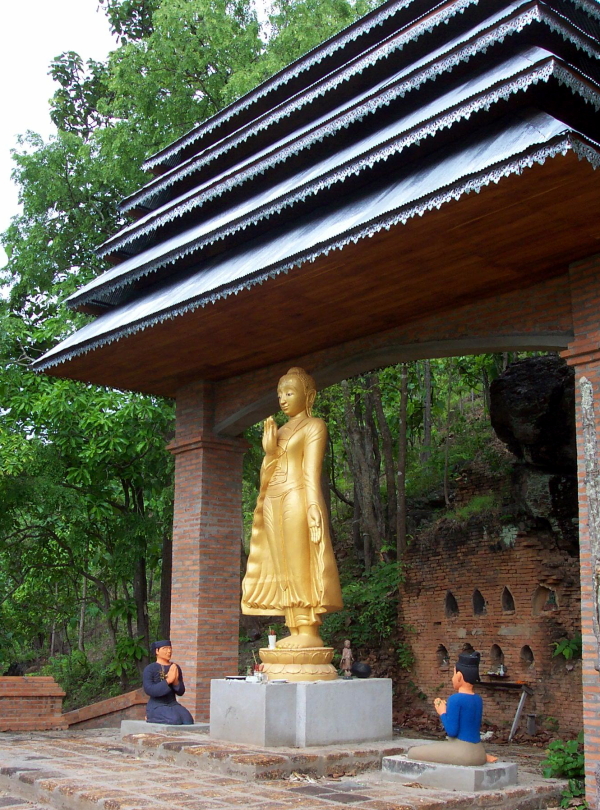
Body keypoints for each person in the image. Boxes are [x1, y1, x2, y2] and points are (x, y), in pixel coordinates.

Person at [241, 367, 343, 649]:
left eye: (289, 392)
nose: (283, 399)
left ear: (308, 396)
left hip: (297, 498)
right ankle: (293, 627)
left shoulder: (314, 426)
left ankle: (309, 629)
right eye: (280, 394)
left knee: (300, 563)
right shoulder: (279, 431)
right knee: (281, 564)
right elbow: (268, 475)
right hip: (273, 500)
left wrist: (314, 507)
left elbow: (311, 472)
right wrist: (270, 453)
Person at [407, 651, 495, 766]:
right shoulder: (478, 699)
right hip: (479, 751)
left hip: (463, 752)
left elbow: (452, 731)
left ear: (459, 676)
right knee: (439, 748)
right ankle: (483, 757)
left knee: (413, 752)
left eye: (454, 675)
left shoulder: (455, 699)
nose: (452, 678)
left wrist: (442, 711)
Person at [142, 640, 194, 725]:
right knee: (175, 720)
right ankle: (151, 716)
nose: (169, 651)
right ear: (157, 651)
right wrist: (168, 680)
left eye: (170, 648)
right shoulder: (150, 669)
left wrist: (176, 681)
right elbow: (149, 690)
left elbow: (181, 692)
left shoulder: (175, 667)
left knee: (188, 720)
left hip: (172, 703)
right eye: (165, 649)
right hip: (157, 704)